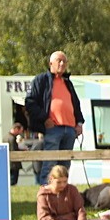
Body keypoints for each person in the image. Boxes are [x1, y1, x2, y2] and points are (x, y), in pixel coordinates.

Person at [25, 50, 84, 184]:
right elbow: (30, 102)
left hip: (70, 129)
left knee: (65, 164)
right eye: (59, 60)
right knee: (50, 162)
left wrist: (79, 123)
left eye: (65, 61)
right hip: (53, 128)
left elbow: (76, 104)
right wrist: (44, 118)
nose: (62, 63)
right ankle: (46, 193)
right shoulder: (41, 80)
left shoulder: (67, 83)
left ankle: (62, 193)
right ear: (51, 63)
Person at [35, 165, 105, 220]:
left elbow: (80, 209)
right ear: (51, 179)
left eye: (65, 182)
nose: (62, 185)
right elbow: (43, 217)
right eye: (58, 182)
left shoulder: (72, 190)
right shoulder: (43, 194)